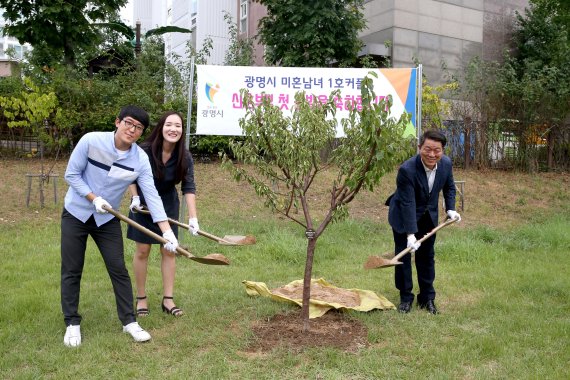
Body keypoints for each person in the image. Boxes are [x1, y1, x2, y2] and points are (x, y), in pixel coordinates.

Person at [61, 105, 180, 347]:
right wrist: (94, 198)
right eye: (128, 123)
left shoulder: (139, 160)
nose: (132, 129)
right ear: (117, 122)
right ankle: (72, 323)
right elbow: (71, 175)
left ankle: (129, 322)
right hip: (76, 213)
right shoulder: (91, 141)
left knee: (118, 269)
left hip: (106, 219)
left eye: (138, 128)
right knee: (72, 269)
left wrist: (166, 231)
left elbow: (152, 196)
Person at [127, 111, 199, 318]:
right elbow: (130, 174)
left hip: (167, 205)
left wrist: (193, 218)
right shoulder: (145, 150)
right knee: (142, 250)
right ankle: (141, 298)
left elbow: (189, 187)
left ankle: (168, 299)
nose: (173, 129)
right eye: (169, 124)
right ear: (161, 127)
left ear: (182, 130)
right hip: (142, 205)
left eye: (178, 126)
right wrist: (134, 198)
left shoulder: (184, 156)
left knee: (169, 250)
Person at [386, 129, 461, 314]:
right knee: (403, 257)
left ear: (442, 150)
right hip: (404, 215)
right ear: (419, 147)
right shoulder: (407, 169)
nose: (432, 154)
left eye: (437, 150)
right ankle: (405, 298)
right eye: (427, 149)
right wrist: (410, 234)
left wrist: (450, 208)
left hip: (428, 216)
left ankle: (427, 298)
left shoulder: (445, 164)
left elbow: (450, 187)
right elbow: (407, 202)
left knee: (426, 257)